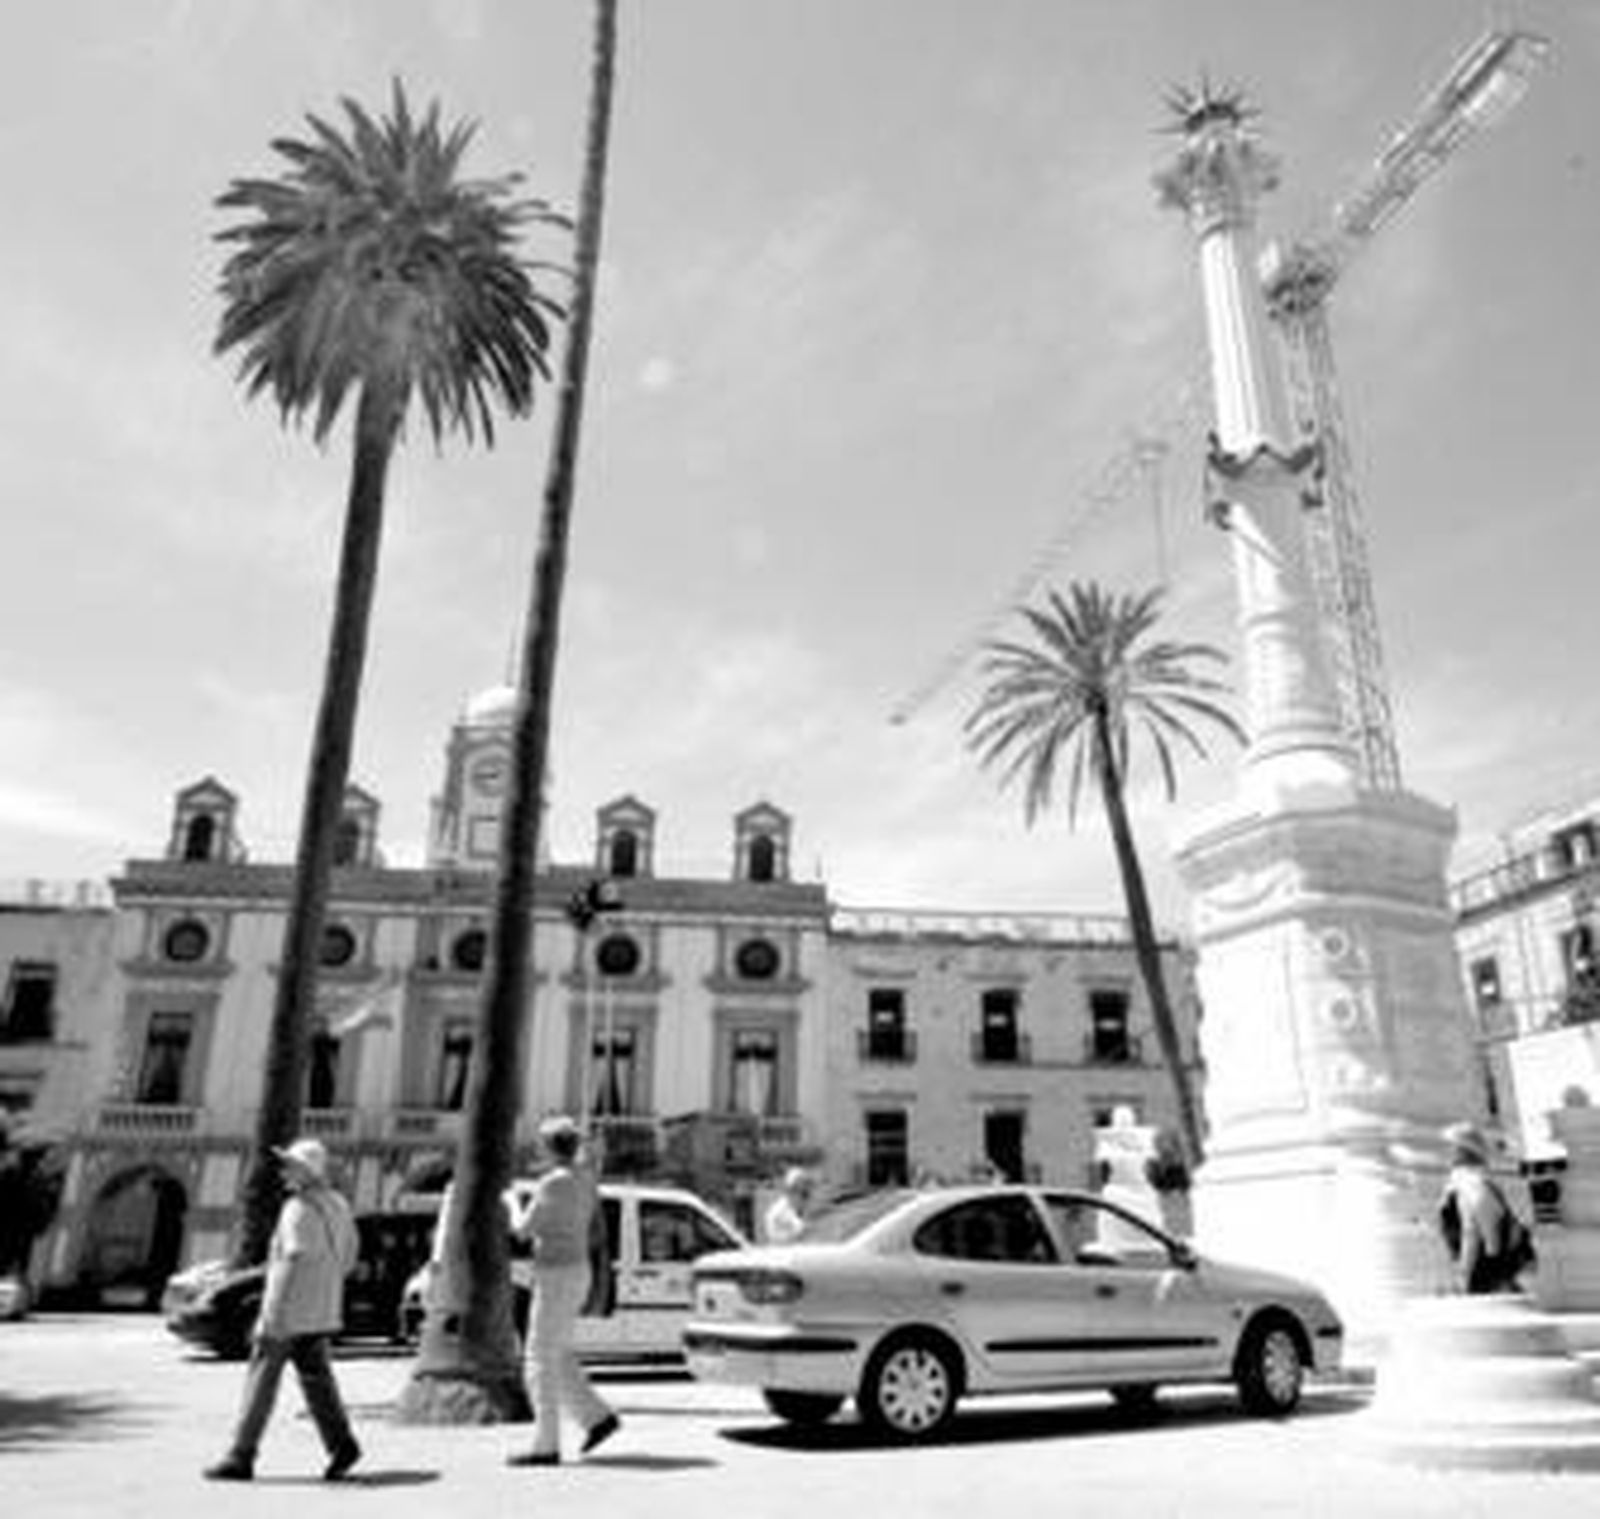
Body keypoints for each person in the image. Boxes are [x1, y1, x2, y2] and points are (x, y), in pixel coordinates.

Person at [204, 1137, 362, 1483]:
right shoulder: (339, 1204)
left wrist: (273, 1313)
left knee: (261, 1379)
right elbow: (350, 1257)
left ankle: (240, 1455)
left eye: (291, 1165)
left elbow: (293, 1257)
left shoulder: (297, 1207)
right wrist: (326, 1284)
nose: (284, 1171)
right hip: (321, 1308)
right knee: (317, 1379)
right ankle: (342, 1444)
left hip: (289, 1311)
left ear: (306, 1172)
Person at [504, 1117, 620, 1467]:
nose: (537, 1148)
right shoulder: (585, 1179)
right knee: (560, 1353)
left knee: (537, 1358)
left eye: (541, 1143)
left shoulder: (552, 1183)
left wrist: (511, 1201)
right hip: (577, 1271)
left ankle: (546, 1445)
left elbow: (522, 1231)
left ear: (550, 1147)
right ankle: (597, 1418)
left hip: (555, 1275)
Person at [1437, 1121, 1533, 1295]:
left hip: (1484, 1269)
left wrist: (1464, 1276)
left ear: (1461, 1151)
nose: (1447, 1153)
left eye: (1451, 1147)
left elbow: (1472, 1230)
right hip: (1494, 1266)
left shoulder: (1467, 1181)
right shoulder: (1480, 1178)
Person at [764, 1167, 812, 1244]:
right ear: (794, 1186)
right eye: (802, 1183)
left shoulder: (801, 1204)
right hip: (783, 1251)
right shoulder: (779, 1210)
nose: (806, 1187)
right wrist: (794, 1234)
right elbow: (772, 1233)